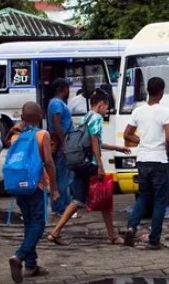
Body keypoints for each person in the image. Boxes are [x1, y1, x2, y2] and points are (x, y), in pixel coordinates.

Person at [47, 89, 131, 246]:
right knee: (105, 201)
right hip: (90, 164)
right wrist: (100, 165)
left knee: (77, 201)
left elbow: (95, 142)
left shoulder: (86, 117)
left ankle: (55, 232)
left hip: (79, 163)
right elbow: (93, 141)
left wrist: (116, 148)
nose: (106, 111)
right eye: (106, 107)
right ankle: (112, 236)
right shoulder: (97, 118)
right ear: (100, 105)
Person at [6, 102, 59, 283]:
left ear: (22, 117)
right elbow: (49, 163)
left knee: (29, 223)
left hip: (18, 185)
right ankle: (19, 256)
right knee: (39, 223)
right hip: (36, 186)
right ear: (40, 115)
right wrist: (55, 188)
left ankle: (31, 265)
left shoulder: (15, 137)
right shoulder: (42, 135)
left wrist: (16, 127)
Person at [122, 77, 169, 250]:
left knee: (144, 196)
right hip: (159, 160)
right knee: (160, 201)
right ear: (161, 92)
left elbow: (127, 134)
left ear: (148, 91)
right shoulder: (165, 112)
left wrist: (142, 140)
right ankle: (154, 239)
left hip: (142, 160)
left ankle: (131, 226)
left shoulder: (138, 111)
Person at [47, 78, 73, 215]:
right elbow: (57, 125)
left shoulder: (56, 103)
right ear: (63, 89)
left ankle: (63, 206)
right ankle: (61, 208)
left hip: (63, 142)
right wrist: (64, 143)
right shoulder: (57, 104)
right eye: (67, 88)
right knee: (62, 177)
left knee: (63, 176)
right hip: (63, 143)